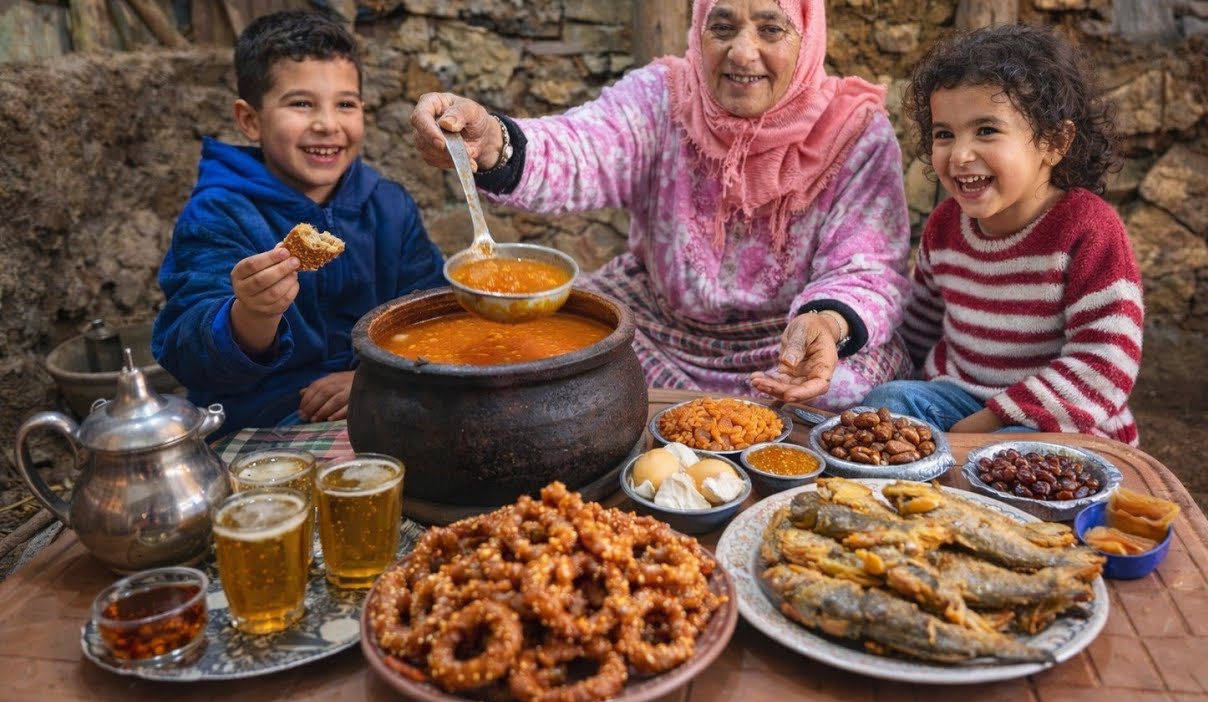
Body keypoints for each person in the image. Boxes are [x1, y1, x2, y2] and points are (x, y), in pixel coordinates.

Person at [409, 0, 913, 410]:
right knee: (548, 342)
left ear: (807, 36)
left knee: (842, 391)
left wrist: (825, 324)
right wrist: (491, 143)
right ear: (698, 31)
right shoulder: (663, 97)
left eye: (770, 29)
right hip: (659, 328)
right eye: (722, 27)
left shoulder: (855, 133)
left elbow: (867, 268)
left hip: (788, 343)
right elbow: (582, 147)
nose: (742, 53)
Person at [152, 9, 446, 440]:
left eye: (345, 104)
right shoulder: (220, 214)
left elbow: (432, 316)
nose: (327, 124)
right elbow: (187, 352)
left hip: (380, 397)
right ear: (250, 120)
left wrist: (373, 379)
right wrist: (251, 314)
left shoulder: (389, 207)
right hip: (259, 423)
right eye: (301, 104)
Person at [862, 24, 1144, 445]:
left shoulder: (1088, 229)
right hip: (957, 401)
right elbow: (915, 332)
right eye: (945, 134)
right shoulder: (944, 225)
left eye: (986, 131)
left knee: (1017, 448)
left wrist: (983, 428)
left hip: (1058, 419)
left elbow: (1105, 363)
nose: (960, 155)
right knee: (888, 401)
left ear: (1055, 141)